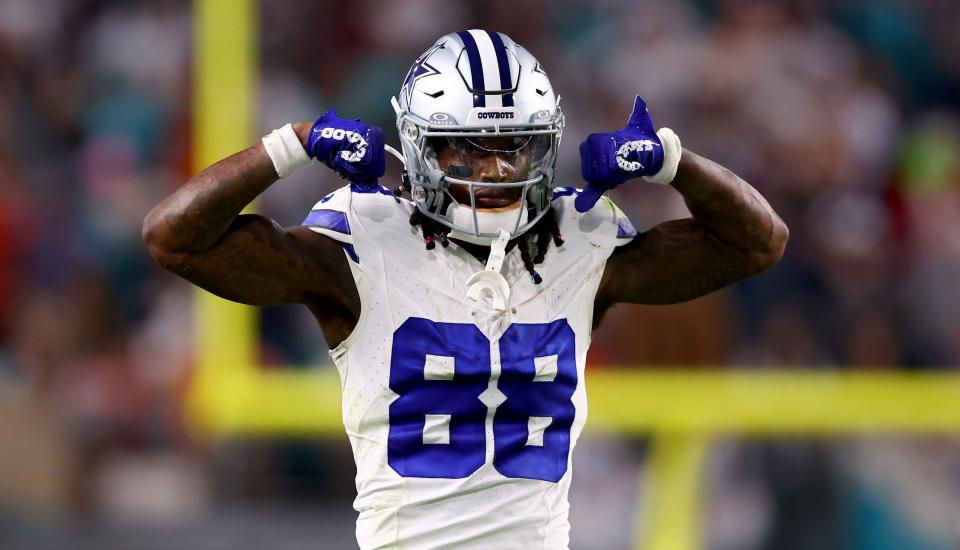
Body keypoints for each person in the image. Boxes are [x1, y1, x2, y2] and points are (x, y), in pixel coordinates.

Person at [143, 29, 787, 550]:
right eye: (468, 151)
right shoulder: (361, 243)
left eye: (515, 148)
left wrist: (672, 161)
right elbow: (173, 237)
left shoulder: (580, 241)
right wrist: (295, 142)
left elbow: (759, 242)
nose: (497, 171)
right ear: (421, 148)